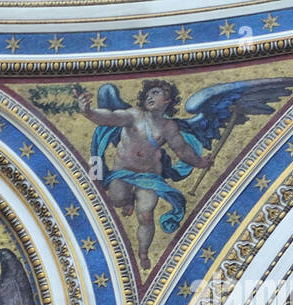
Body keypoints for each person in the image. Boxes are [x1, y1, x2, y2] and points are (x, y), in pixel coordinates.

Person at [77, 80, 212, 271]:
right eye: (148, 93)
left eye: (156, 92)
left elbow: (182, 150)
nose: (149, 96)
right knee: (116, 200)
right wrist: (89, 111)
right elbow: (110, 117)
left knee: (146, 215)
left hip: (149, 177)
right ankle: (128, 200)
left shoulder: (168, 127)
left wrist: (200, 163)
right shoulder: (133, 116)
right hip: (122, 173)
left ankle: (142, 252)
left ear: (167, 100)